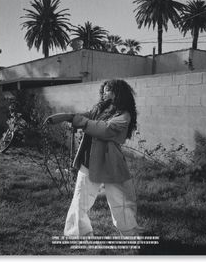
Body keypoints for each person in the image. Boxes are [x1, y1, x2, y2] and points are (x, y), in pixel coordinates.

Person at [44, 79, 142, 236]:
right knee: (80, 199)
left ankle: (130, 235)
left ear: (118, 93)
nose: (104, 92)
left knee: (120, 202)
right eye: (103, 90)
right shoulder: (99, 110)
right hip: (89, 161)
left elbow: (105, 130)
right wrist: (65, 117)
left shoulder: (124, 115)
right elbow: (84, 117)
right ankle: (77, 233)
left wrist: (79, 121)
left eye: (108, 90)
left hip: (111, 163)